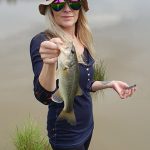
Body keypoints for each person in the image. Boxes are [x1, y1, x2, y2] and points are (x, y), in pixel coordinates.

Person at [30, 0, 136, 150]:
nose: (67, 9)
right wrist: (49, 63)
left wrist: (110, 83)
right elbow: (43, 96)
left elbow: (85, 84)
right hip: (65, 135)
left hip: (87, 126)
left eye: (73, 2)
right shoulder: (43, 42)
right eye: (59, 3)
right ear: (50, 9)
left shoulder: (82, 39)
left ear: (80, 8)